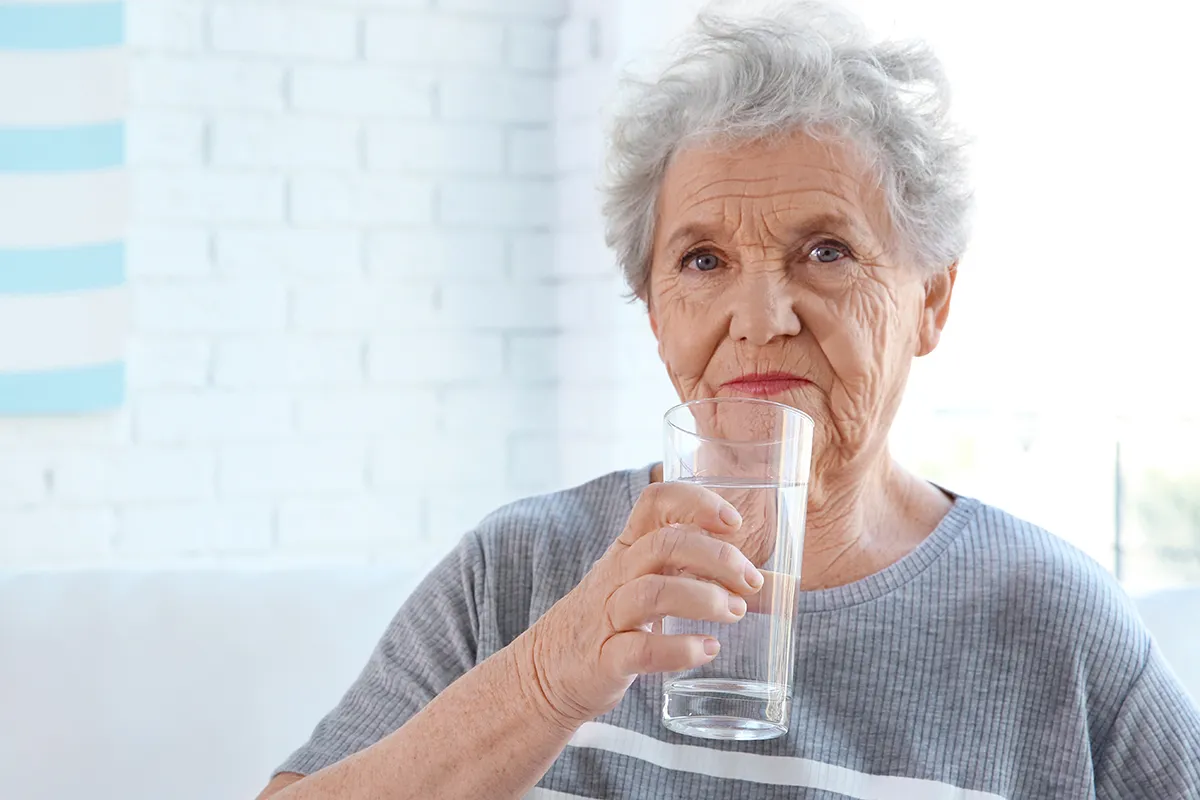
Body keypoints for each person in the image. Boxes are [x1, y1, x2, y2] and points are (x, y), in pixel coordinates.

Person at [256, 3, 1200, 798]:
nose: (759, 318)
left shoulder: (1060, 631)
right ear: (656, 313)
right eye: (702, 260)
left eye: (826, 251)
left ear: (932, 301)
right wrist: (550, 676)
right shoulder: (516, 574)